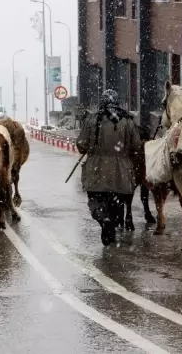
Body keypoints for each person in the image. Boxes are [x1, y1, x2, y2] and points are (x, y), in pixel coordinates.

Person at [76, 89, 142, 246]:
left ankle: (103, 219)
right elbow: (136, 145)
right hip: (121, 172)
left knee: (95, 201)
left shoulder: (92, 119)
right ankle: (110, 222)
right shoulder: (127, 121)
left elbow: (82, 144)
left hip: (96, 170)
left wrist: (88, 147)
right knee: (116, 203)